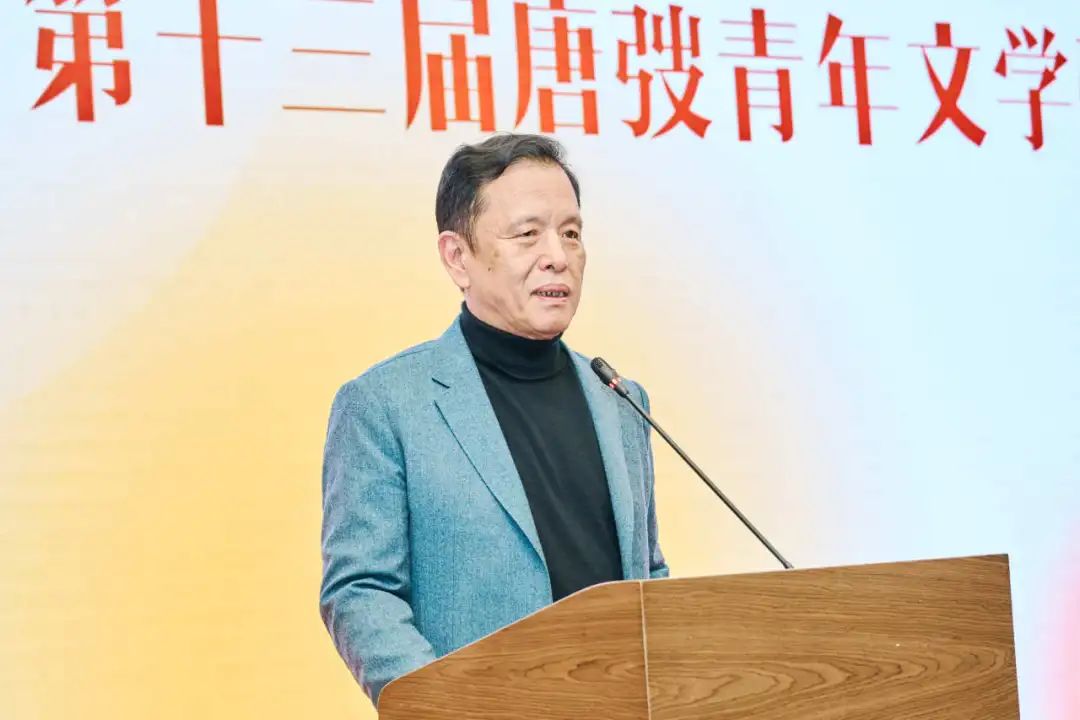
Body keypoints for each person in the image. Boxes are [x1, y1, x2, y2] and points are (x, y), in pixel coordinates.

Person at [319, 133, 667, 706]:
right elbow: (360, 592)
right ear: (458, 257)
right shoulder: (385, 404)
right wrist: (446, 705)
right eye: (528, 234)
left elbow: (648, 575)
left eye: (571, 233)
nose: (557, 255)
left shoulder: (621, 401)